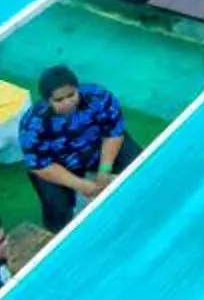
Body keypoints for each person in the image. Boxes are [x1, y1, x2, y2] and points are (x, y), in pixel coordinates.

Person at [17, 65, 128, 231]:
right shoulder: (32, 124)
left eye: (71, 95)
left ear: (78, 89)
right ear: (47, 101)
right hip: (58, 166)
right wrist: (80, 185)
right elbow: (40, 165)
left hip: (97, 148)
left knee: (138, 164)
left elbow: (114, 131)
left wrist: (105, 168)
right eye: (59, 100)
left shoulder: (98, 96)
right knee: (58, 213)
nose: (68, 103)